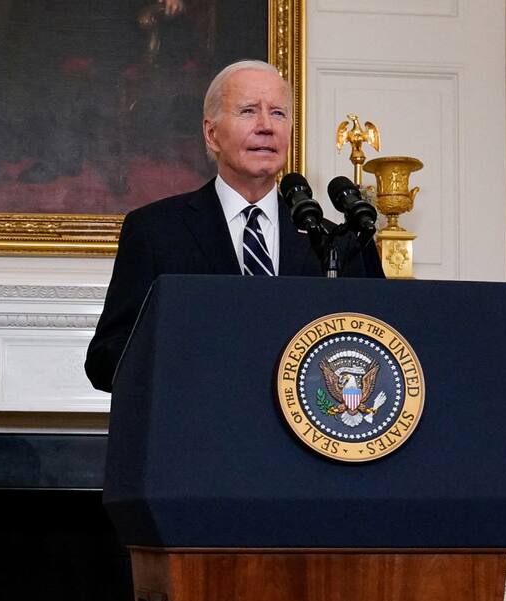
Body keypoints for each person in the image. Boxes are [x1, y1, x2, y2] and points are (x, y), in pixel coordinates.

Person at [85, 60, 384, 392]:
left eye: (278, 113)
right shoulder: (155, 231)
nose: (266, 126)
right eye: (248, 111)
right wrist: (194, 362)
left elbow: (380, 348)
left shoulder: (335, 242)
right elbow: (105, 359)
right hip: (200, 417)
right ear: (211, 134)